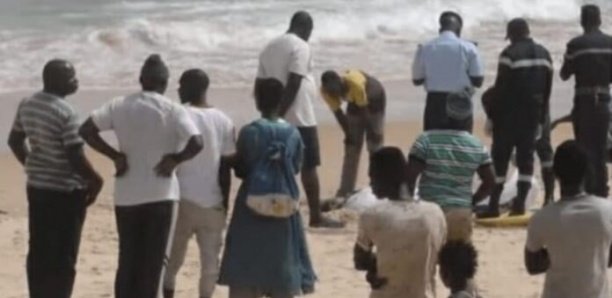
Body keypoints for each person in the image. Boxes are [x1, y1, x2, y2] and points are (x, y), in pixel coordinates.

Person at [79, 54, 203, 298]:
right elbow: (197, 142)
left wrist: (115, 155)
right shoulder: (172, 109)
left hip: (127, 194)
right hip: (161, 193)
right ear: (166, 83)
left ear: (140, 80)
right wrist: (175, 160)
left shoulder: (119, 105)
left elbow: (87, 130)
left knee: (128, 260)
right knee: (154, 263)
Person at [7, 59, 103, 298]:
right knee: (64, 254)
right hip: (65, 192)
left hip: (38, 188)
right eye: (72, 78)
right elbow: (75, 155)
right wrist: (96, 180)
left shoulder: (27, 104)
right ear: (57, 81)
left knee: (39, 249)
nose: (76, 81)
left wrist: (31, 164)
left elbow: (15, 140)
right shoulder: (66, 112)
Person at [218, 78, 317, 298]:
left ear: (258, 101)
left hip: (251, 207)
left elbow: (242, 170)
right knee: (282, 264)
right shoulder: (293, 134)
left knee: (246, 268)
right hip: (284, 207)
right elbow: (295, 167)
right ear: (282, 101)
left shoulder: (250, 132)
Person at [256, 11, 343, 228]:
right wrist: (282, 113)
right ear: (307, 28)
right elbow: (294, 81)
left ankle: (276, 212)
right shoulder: (300, 46)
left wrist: (267, 114)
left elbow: (259, 84)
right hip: (300, 116)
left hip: (274, 115)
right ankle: (315, 216)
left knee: (278, 164)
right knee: (309, 166)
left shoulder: (270, 46)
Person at [163, 69, 235, 298]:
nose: (178, 89)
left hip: (180, 199)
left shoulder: (178, 115)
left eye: (182, 85)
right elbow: (226, 167)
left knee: (172, 262)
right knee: (210, 266)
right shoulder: (224, 120)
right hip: (212, 201)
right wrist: (225, 202)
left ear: (193, 87)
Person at [480, 19, 554, 217]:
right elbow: (547, 91)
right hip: (533, 117)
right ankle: (520, 204)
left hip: (508, 117)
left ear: (512, 35)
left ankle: (493, 205)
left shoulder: (509, 54)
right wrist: (542, 119)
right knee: (526, 162)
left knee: (500, 161)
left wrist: (491, 117)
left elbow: (501, 89)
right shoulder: (545, 54)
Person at [354, 147, 446, 298]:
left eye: (373, 177)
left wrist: (375, 269)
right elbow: (440, 256)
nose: (371, 185)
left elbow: (360, 260)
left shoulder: (372, 215)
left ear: (384, 177)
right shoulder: (434, 213)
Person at [525, 140, 612, 298]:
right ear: (587, 172)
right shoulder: (607, 211)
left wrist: (556, 253)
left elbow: (532, 266)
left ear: (556, 173)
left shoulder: (542, 218)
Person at [406, 91, 495, 242]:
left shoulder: (425, 140)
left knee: (428, 262)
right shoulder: (477, 146)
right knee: (456, 262)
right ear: (469, 115)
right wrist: (471, 201)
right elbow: (490, 182)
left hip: (429, 212)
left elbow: (409, 178)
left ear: (446, 112)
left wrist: (409, 206)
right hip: (460, 213)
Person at [560, 4, 612, 197]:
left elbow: (564, 74)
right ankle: (602, 191)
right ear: (599, 20)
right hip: (604, 100)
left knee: (583, 147)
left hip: (583, 101)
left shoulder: (575, 44)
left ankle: (587, 189)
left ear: (582, 21)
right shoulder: (610, 43)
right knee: (600, 148)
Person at [482, 86, 556, 207]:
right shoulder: (493, 98)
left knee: (543, 149)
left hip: (536, 102)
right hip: (528, 97)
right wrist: (491, 118)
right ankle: (497, 199)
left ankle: (549, 197)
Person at [412, 11, 484, 131]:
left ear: (440, 27)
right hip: (460, 100)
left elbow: (417, 80)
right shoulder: (469, 48)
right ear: (459, 29)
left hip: (434, 102)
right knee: (461, 142)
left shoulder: (425, 47)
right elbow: (478, 80)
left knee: (434, 142)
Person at [320, 69, 386, 199]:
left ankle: (378, 186)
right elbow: (338, 113)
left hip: (375, 97)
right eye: (331, 92)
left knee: (374, 146)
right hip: (355, 101)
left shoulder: (354, 84)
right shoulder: (325, 92)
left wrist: (373, 132)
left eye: (336, 91)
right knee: (351, 147)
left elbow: (364, 110)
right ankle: (345, 190)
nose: (334, 94)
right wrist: (348, 134)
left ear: (341, 82)